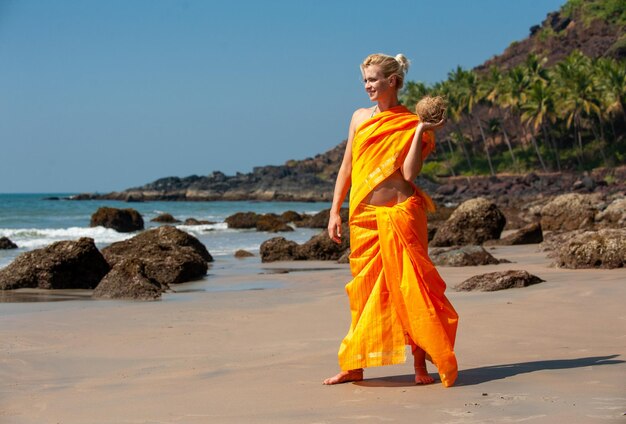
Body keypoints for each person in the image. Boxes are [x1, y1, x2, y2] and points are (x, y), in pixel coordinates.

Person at [323, 53, 459, 387]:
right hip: (364, 217)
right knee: (364, 292)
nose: (368, 86)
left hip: (402, 214)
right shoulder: (358, 117)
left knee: (411, 288)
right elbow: (347, 167)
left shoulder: (411, 121)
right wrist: (333, 210)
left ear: (392, 81)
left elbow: (410, 173)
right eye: (365, 81)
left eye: (373, 79)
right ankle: (354, 365)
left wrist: (421, 130)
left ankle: (420, 366)